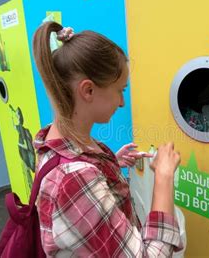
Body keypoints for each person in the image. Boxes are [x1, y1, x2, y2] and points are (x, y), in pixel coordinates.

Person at [32, 22, 183, 257]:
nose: (122, 102)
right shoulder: (73, 179)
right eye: (120, 90)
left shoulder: (58, 139)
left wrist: (111, 162)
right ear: (88, 90)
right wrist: (163, 178)